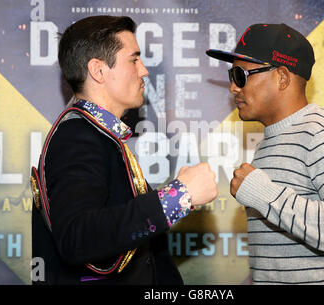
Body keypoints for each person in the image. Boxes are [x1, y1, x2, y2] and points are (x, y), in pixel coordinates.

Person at [31, 15, 218, 285]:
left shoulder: (98, 134)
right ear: (98, 70)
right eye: (134, 59)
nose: (144, 70)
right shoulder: (77, 136)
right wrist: (179, 196)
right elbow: (77, 238)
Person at [206, 23, 324, 284]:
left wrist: (266, 195)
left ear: (282, 77)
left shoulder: (323, 134)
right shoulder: (273, 140)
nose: (233, 88)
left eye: (240, 75)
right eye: (232, 75)